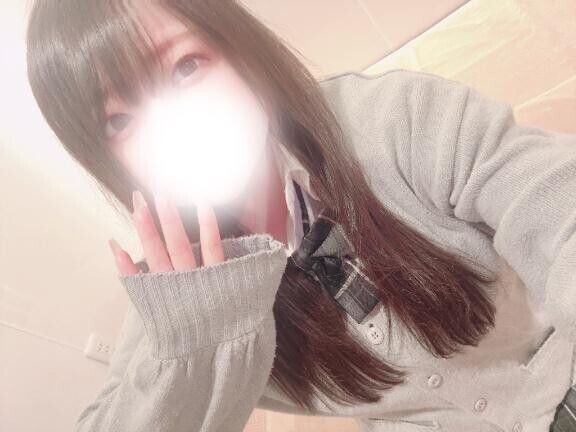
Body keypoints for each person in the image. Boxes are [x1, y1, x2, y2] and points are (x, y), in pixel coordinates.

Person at [25, 1, 576, 431]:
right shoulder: (182, 293)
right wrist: (195, 355)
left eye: (185, 66)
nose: (169, 128)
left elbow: (557, 206)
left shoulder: (393, 121)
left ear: (241, 50)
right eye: (118, 121)